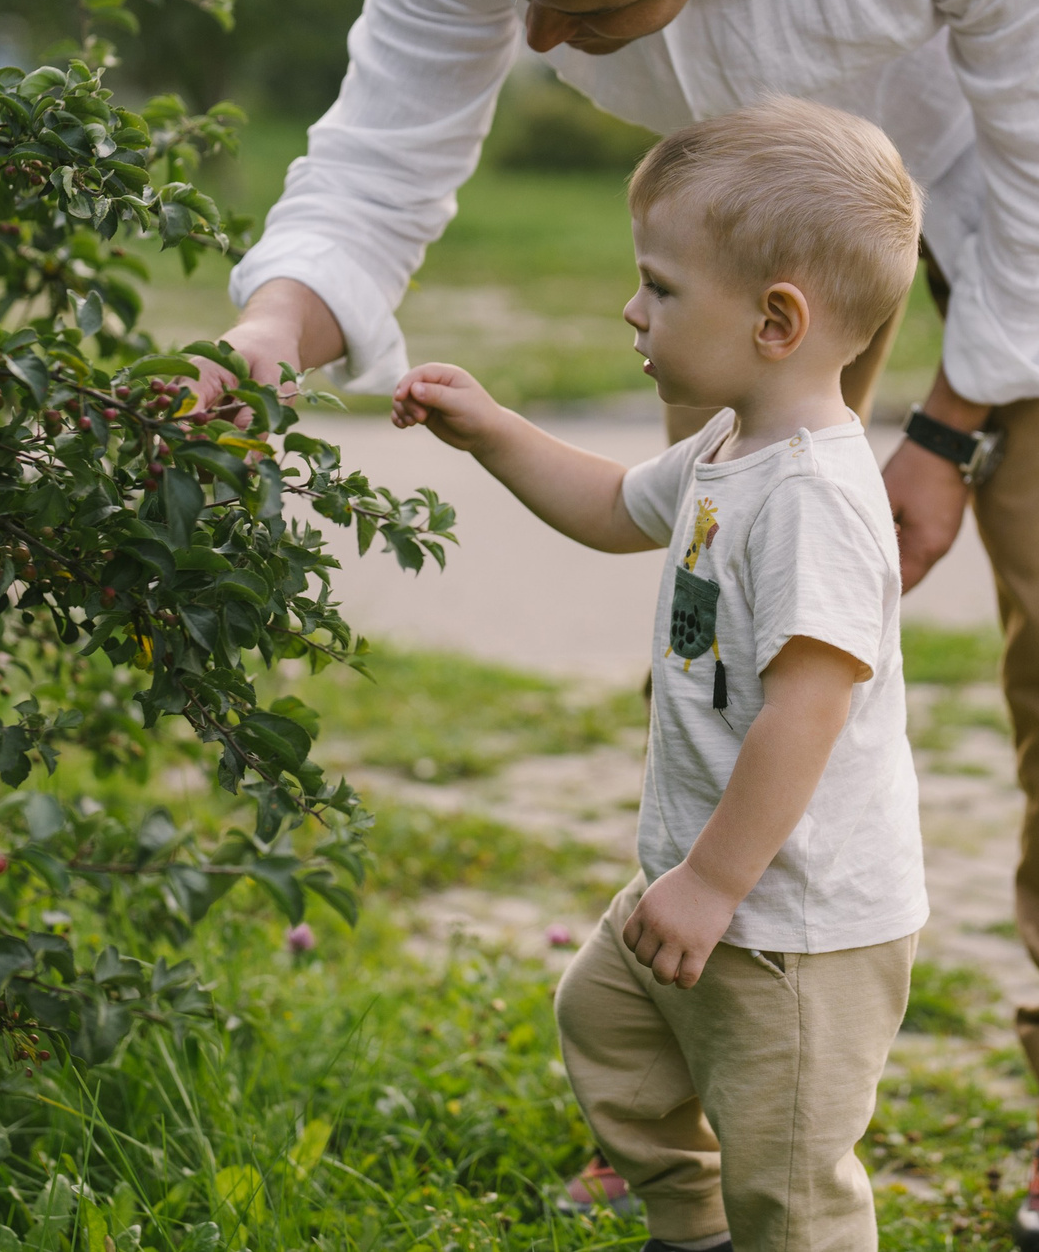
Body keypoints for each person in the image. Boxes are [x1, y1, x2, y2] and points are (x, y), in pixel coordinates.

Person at [215, 0, 1039, 1252]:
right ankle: (691, 1077)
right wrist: (267, 341)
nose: (539, 46)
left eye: (591, 10)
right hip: (745, 225)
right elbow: (383, 148)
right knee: (718, 617)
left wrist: (945, 435)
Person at [393, 100, 928, 1252]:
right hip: (704, 887)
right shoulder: (730, 449)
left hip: (791, 925)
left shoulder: (815, 503)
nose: (631, 309)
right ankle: (693, 1231)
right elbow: (609, 507)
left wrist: (711, 883)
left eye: (661, 286)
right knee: (607, 1024)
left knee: (790, 1177)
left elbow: (809, 710)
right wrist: (493, 432)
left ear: (776, 320)